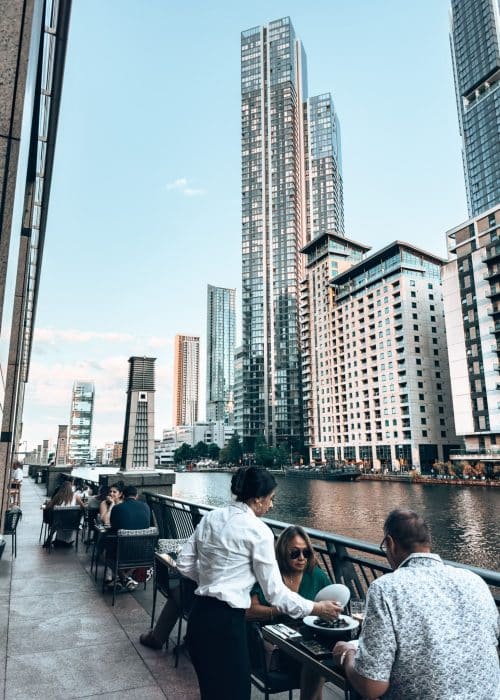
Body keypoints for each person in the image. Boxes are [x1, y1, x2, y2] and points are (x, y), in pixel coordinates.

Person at [176, 466, 341, 700]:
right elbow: (275, 594)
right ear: (257, 499)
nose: (271, 505)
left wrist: (211, 582)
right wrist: (317, 608)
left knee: (210, 693)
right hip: (227, 624)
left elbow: (183, 563)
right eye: (270, 499)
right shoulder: (259, 531)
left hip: (199, 615)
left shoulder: (210, 517)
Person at [332, 509, 500, 700]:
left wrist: (347, 656)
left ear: (390, 544)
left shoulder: (386, 588)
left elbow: (372, 687)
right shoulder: (475, 580)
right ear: (428, 542)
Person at [247, 525, 331, 700]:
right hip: (274, 648)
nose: (301, 558)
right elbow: (249, 611)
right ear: (283, 552)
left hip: (307, 643)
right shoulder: (271, 575)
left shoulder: (315, 574)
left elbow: (332, 602)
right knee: (316, 664)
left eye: (306, 553)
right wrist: (283, 608)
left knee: (322, 658)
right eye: (295, 553)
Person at [106, 484, 152, 590]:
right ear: (136, 496)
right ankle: (126, 578)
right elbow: (147, 524)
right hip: (144, 552)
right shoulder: (146, 506)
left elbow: (113, 528)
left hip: (123, 551)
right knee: (134, 556)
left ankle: (124, 577)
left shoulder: (117, 508)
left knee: (105, 554)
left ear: (123, 495)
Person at [43, 480, 84, 547]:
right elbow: (83, 507)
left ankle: (50, 538)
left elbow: (48, 506)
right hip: (72, 523)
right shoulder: (75, 496)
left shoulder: (58, 496)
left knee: (55, 518)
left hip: (58, 523)